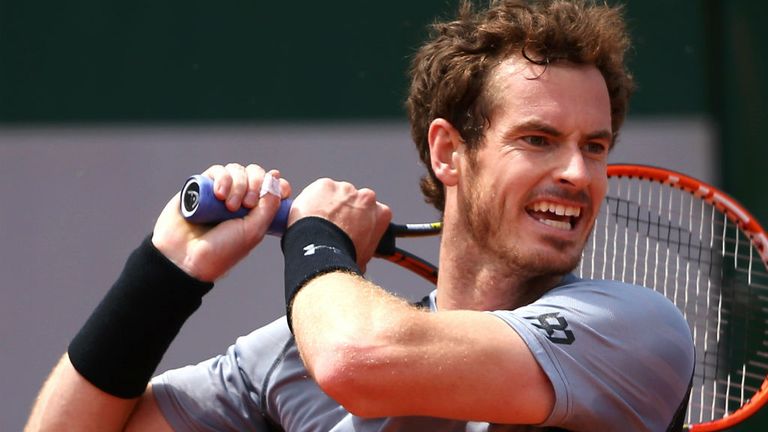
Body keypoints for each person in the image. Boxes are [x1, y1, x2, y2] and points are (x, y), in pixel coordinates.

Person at [25, 1, 695, 431]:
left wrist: (319, 239)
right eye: (538, 140)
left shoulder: (636, 335)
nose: (578, 174)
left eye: (595, 147)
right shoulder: (289, 361)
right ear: (448, 152)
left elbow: (358, 360)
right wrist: (166, 273)